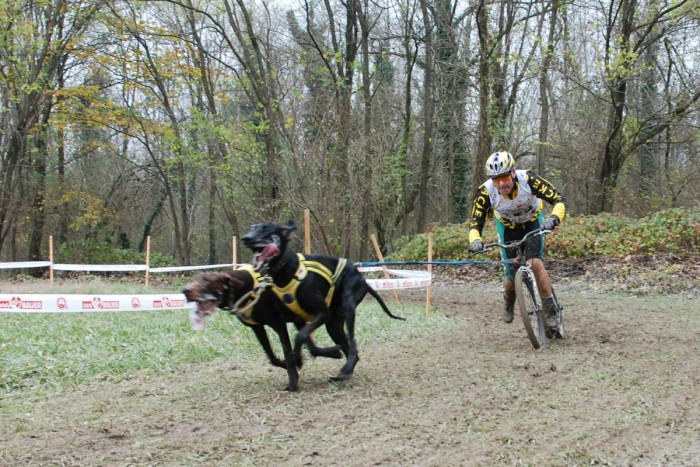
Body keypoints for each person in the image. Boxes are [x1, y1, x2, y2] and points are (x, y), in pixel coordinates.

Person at [467, 151, 566, 327]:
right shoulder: (485, 191)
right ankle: (509, 300)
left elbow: (558, 199)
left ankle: (550, 306)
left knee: (535, 263)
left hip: (533, 221)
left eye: (504, 178)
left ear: (513, 172)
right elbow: (475, 223)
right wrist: (475, 241)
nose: (501, 184)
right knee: (511, 274)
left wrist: (554, 218)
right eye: (496, 180)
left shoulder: (528, 180)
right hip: (507, 227)